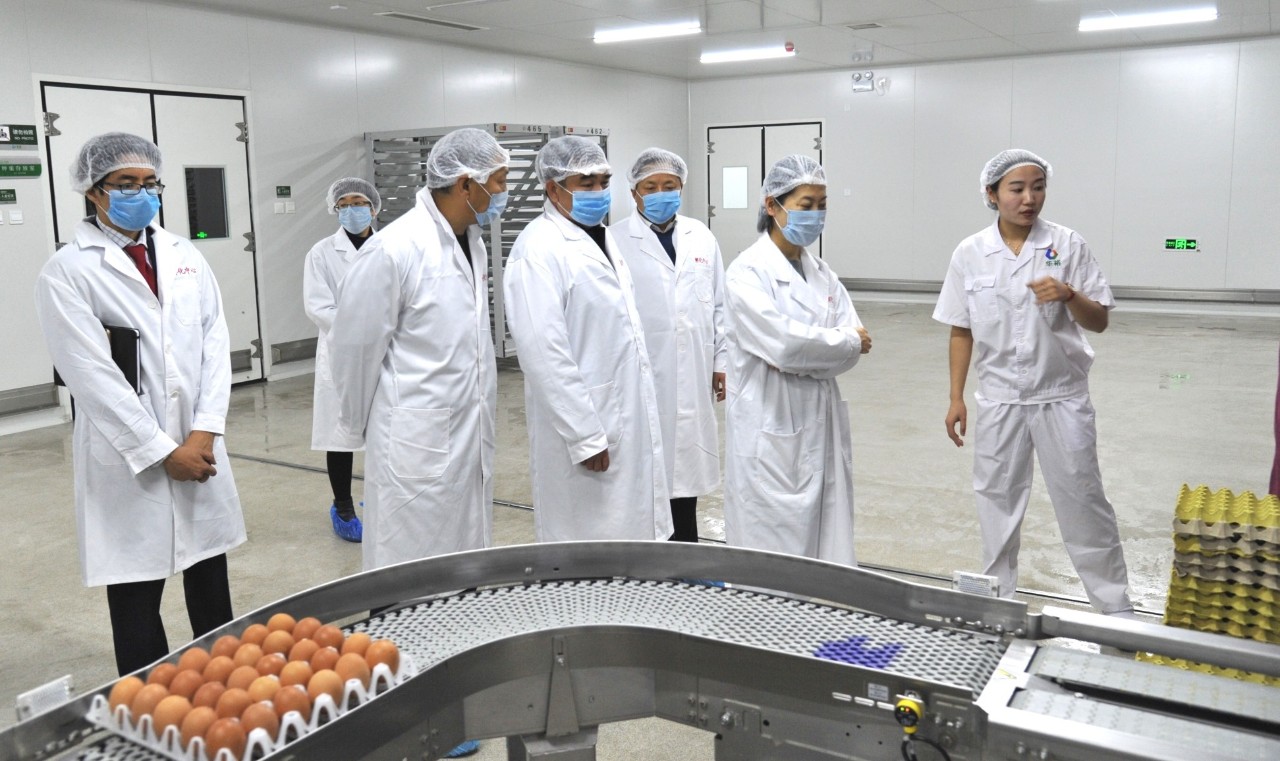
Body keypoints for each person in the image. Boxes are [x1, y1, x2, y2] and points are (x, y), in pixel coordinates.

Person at [34, 132, 245, 675]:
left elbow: (215, 342)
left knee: (209, 575)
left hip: (198, 441)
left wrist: (205, 430)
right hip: (128, 453)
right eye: (125, 184)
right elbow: (90, 376)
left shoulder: (184, 255)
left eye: (150, 183)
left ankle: (226, 686)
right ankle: (149, 700)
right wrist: (161, 451)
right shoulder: (68, 270)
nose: (142, 194)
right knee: (135, 590)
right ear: (94, 191)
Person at [933, 149, 1135, 616]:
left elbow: (1099, 321)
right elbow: (961, 329)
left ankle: (1114, 606)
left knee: (1083, 499)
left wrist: (1068, 294)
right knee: (996, 504)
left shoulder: (1067, 244)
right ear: (991, 194)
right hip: (1000, 399)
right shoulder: (970, 253)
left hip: (1061, 397)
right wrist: (955, 397)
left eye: (1038, 187)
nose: (1029, 199)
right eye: (1017, 189)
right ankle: (996, 603)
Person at [504, 136, 671, 542]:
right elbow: (544, 354)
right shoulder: (537, 249)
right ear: (553, 188)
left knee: (629, 532)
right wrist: (584, 435)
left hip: (623, 411)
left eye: (603, 181)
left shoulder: (601, 236)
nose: (598, 192)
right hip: (586, 424)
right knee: (586, 541)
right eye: (586, 182)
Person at [722, 155, 870, 565]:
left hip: (819, 417)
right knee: (769, 551)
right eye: (806, 205)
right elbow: (786, 346)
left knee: (823, 541)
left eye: (822, 205)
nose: (816, 215)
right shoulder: (747, 273)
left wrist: (823, 348)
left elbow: (851, 348)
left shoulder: (822, 273)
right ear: (772, 205)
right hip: (770, 422)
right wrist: (839, 343)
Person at [610, 148, 726, 543]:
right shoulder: (615, 241)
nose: (661, 193)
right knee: (646, 471)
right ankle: (648, 556)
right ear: (634, 192)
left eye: (669, 185)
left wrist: (721, 361)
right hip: (641, 376)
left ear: (681, 188)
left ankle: (687, 554)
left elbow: (719, 304)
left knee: (686, 473)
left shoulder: (701, 236)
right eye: (651, 187)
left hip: (693, 372)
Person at [304, 178, 381, 542]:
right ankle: (343, 505)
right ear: (335, 209)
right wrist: (361, 329)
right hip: (341, 354)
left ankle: (382, 496)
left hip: (385, 351)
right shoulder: (321, 253)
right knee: (341, 432)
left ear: (374, 208)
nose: (352, 210)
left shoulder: (390, 246)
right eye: (344, 204)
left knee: (386, 427)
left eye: (359, 202)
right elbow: (318, 306)